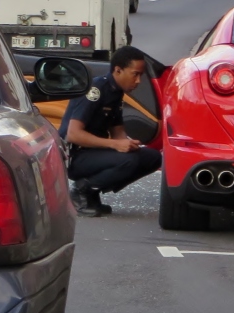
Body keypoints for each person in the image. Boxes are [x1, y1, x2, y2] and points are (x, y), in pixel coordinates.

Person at [60, 46, 163, 217]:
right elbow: (73, 134)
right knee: (128, 162)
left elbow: (118, 133)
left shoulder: (116, 94)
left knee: (152, 158)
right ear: (118, 70)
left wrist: (128, 144)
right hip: (74, 156)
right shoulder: (95, 90)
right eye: (135, 74)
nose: (138, 81)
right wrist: (116, 145)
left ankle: (93, 190)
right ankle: (81, 191)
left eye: (140, 76)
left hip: (94, 153)